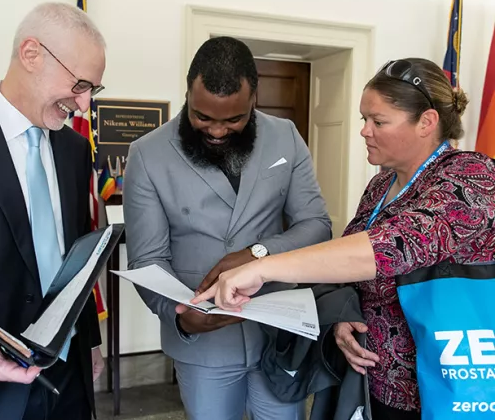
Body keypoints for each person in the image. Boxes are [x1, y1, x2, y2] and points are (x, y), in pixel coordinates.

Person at [193, 58, 495, 419]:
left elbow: (393, 246)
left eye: (378, 121)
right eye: (363, 119)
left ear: (426, 122)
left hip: (449, 388)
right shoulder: (381, 185)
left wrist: (262, 268)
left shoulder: (472, 176)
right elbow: (350, 272)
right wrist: (342, 318)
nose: (365, 131)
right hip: (374, 383)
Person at [123, 36, 331, 420]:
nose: (217, 131)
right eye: (202, 117)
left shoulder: (285, 136)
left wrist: (257, 254)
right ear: (188, 94)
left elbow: (316, 226)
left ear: (255, 98)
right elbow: (147, 259)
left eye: (233, 119)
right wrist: (178, 313)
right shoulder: (147, 154)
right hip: (202, 344)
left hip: (278, 334)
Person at [0, 2, 107, 420]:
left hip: (68, 384)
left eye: (92, 90)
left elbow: (74, 264)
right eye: (80, 84)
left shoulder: (74, 150)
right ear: (31, 54)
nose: (84, 105)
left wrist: (90, 342)